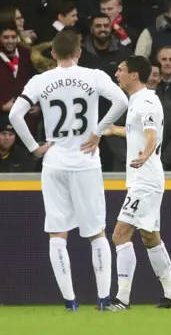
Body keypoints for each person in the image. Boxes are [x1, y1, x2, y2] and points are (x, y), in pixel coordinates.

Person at [8, 30, 129, 311]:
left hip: (54, 162)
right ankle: (102, 300)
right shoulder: (94, 76)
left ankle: (70, 302)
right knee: (96, 232)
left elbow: (15, 114)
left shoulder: (40, 80)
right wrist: (98, 131)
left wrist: (34, 148)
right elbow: (122, 101)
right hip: (86, 160)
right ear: (79, 51)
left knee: (57, 234)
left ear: (52, 53)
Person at [101, 56, 171, 311]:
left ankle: (121, 299)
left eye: (121, 69)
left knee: (120, 234)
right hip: (147, 177)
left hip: (145, 179)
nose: (117, 73)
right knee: (150, 237)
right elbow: (138, 130)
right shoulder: (139, 100)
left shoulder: (146, 101)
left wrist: (146, 154)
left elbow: (151, 135)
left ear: (134, 75)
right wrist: (114, 130)